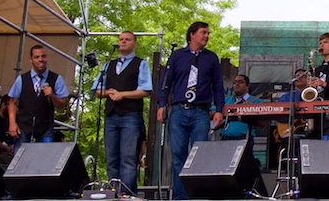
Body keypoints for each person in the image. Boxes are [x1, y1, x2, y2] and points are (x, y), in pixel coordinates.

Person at [156, 21, 225, 200]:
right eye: (203, 32)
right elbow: (165, 82)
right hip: (178, 110)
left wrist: (219, 109)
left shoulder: (211, 58)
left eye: (208, 33)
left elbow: (218, 86)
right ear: (192, 34)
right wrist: (161, 105)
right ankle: (180, 197)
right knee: (178, 155)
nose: (206, 36)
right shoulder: (177, 56)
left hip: (201, 112)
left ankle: (198, 196)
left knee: (199, 155)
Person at [93, 31, 152, 195]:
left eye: (127, 40)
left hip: (130, 116)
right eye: (121, 39)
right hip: (111, 115)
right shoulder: (108, 65)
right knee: (111, 159)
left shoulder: (141, 64)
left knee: (128, 158)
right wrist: (108, 93)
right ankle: (114, 194)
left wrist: (123, 94)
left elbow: (146, 90)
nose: (123, 42)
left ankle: (127, 194)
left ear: (135, 43)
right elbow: (97, 90)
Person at [7, 44, 69, 148]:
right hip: (24, 127)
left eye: (43, 56)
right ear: (31, 59)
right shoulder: (21, 79)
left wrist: (52, 96)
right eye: (37, 57)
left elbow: (62, 105)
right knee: (20, 160)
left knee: (44, 159)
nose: (41, 60)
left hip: (45, 127)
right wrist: (12, 123)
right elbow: (12, 102)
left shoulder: (56, 79)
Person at [218, 74, 262, 141]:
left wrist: (248, 111)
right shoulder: (225, 101)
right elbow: (211, 113)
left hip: (244, 138)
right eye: (235, 82)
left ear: (248, 85)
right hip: (225, 138)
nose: (237, 84)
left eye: (240, 82)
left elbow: (262, 123)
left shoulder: (256, 101)